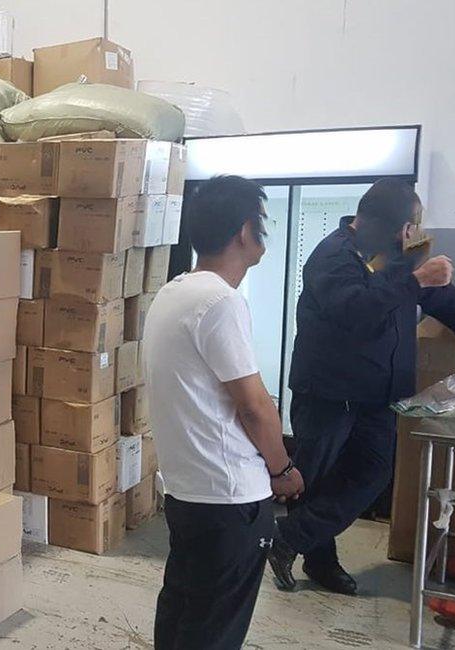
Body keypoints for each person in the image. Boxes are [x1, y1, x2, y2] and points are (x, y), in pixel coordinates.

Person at [268, 179, 455, 595]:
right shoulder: (333, 254)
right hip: (328, 392)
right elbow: (354, 309)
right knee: (314, 481)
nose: (415, 234)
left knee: (371, 475)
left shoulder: (403, 254)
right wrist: (415, 281)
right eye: (412, 226)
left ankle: (286, 539)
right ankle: (320, 561)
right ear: (399, 226)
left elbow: (439, 300)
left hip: (378, 394)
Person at [146, 175, 304, 650]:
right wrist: (284, 469)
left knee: (182, 613)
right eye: (262, 223)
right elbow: (255, 408)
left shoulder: (174, 292)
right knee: (213, 630)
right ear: (243, 232)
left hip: (188, 493)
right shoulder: (220, 301)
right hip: (229, 497)